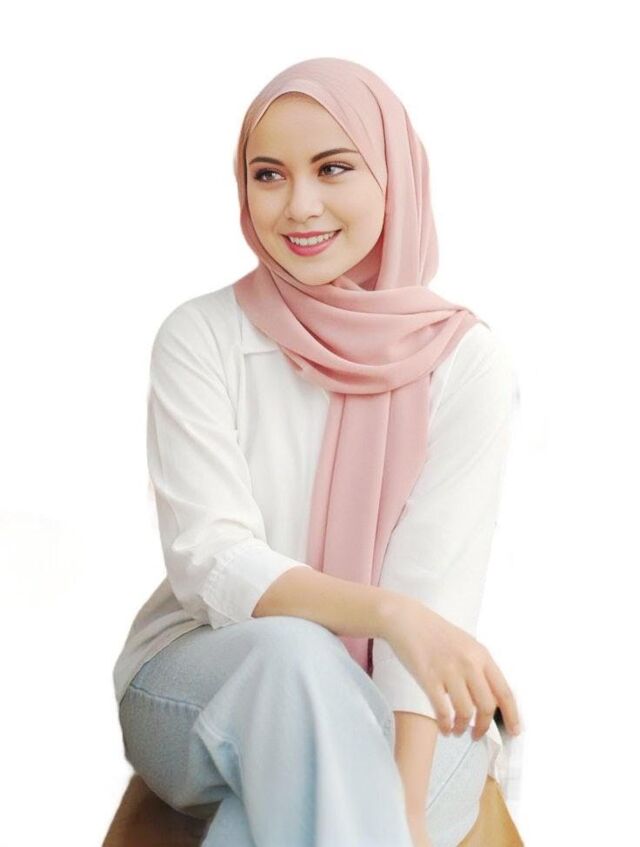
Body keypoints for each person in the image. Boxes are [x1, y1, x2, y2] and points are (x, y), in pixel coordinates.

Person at [113, 57, 523, 847]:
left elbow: (435, 585)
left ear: (394, 174)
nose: (299, 205)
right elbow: (213, 559)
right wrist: (390, 614)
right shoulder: (202, 337)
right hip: (200, 678)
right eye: (268, 175)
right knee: (293, 654)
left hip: (392, 703)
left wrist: (403, 809)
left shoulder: (465, 362)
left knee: (325, 792)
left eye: (333, 168)